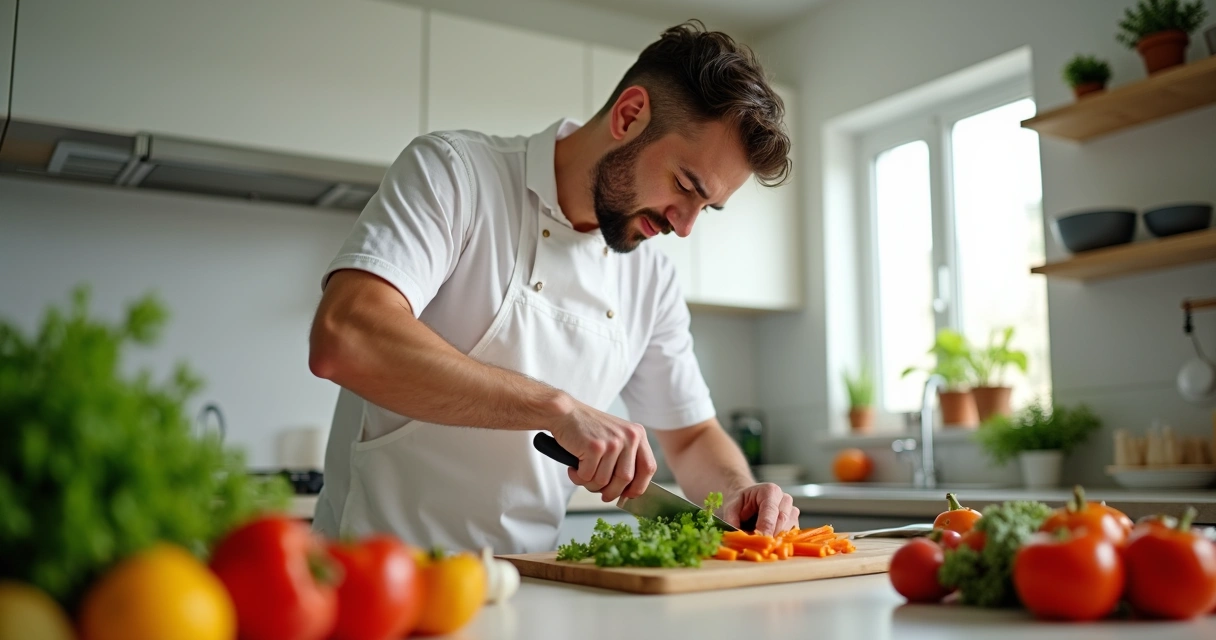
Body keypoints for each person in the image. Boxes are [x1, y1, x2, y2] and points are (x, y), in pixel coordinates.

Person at [307, 20, 799, 555]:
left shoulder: (651, 279)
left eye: (708, 207)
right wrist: (556, 409)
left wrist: (738, 491)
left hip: (524, 579)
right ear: (629, 115)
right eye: (685, 185)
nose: (684, 226)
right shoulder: (456, 174)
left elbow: (692, 435)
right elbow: (347, 336)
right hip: (375, 572)